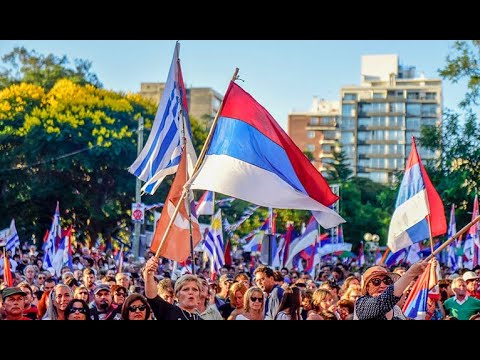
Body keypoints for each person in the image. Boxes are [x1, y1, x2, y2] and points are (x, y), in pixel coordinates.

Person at [354, 260, 429, 320]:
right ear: (367, 288)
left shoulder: (396, 310)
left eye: (387, 281)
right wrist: (411, 273)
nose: (383, 285)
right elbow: (383, 302)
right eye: (376, 282)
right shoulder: (361, 304)